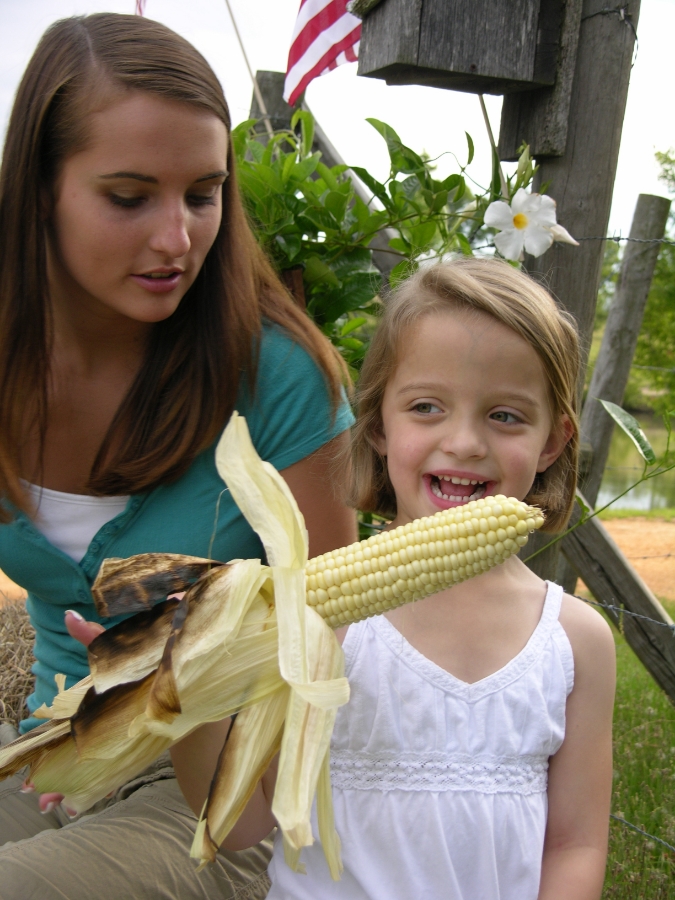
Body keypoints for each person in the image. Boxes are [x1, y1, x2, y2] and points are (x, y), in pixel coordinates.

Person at [0, 12, 356, 900]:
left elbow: (333, 628)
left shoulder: (275, 375)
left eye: (203, 193)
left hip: (227, 789)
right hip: (53, 748)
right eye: (130, 197)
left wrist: (193, 664)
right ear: (38, 188)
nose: (177, 238)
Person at [194, 258, 616, 899]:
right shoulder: (311, 620)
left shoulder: (575, 641)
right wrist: (184, 698)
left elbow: (576, 844)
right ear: (379, 425)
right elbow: (242, 824)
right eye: (426, 407)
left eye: (505, 416)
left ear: (554, 442)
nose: (465, 442)